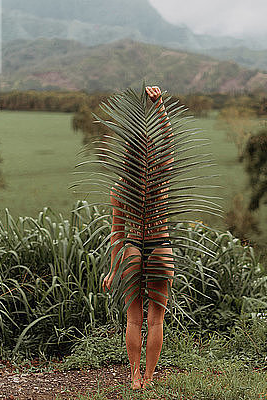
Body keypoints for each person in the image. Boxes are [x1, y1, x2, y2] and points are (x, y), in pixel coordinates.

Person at [102, 86, 175, 390]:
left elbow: (116, 234)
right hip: (160, 247)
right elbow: (169, 142)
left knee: (134, 319)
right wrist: (159, 107)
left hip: (132, 250)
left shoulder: (121, 187)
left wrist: (113, 269)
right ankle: (148, 376)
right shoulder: (160, 175)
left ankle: (133, 376)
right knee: (155, 320)